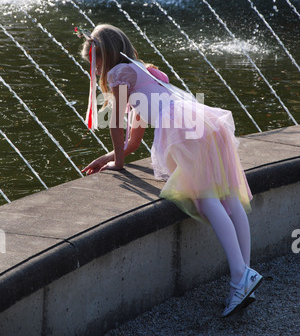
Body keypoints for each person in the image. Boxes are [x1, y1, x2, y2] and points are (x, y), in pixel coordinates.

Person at [79, 23, 262, 317]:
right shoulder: (144, 71)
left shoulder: (119, 74)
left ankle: (241, 275)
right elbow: (133, 140)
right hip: (205, 123)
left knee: (206, 198)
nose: (95, 70)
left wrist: (119, 164)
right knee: (227, 195)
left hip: (182, 127)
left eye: (95, 62)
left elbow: (115, 123)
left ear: (106, 56)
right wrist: (108, 157)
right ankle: (245, 275)